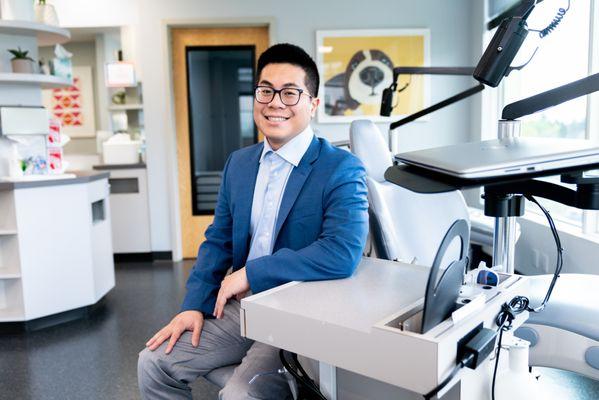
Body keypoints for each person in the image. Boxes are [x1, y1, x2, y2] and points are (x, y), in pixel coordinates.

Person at [138, 43, 368, 400]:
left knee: (239, 396)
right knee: (154, 362)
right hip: (241, 310)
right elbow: (219, 241)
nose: (275, 102)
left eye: (290, 92)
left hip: (296, 315)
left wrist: (250, 273)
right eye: (265, 90)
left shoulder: (340, 167)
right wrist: (191, 307)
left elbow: (341, 252)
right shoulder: (240, 164)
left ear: (313, 104)